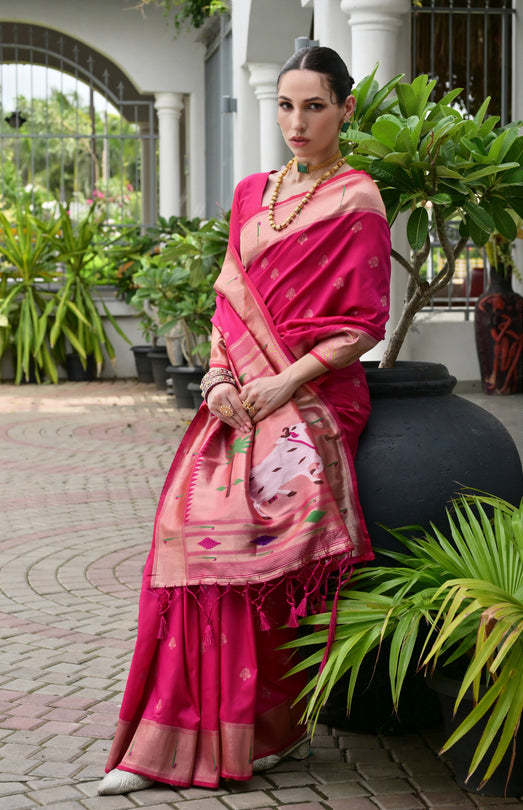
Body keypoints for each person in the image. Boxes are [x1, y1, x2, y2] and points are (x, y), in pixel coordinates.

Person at [98, 45, 391, 795]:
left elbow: (363, 324)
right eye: (287, 106)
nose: (298, 122)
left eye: (315, 107)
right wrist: (218, 378)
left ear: (345, 110)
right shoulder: (251, 193)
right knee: (183, 529)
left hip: (315, 393)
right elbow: (229, 303)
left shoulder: (357, 199)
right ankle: (168, 733)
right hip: (241, 388)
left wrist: (282, 382)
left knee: (253, 541)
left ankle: (266, 729)